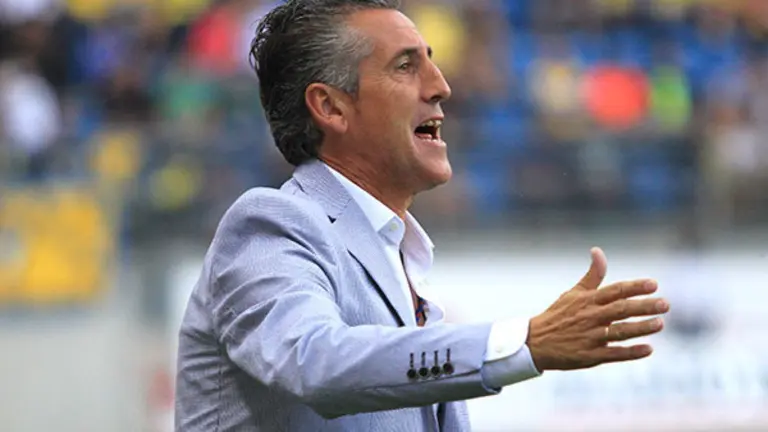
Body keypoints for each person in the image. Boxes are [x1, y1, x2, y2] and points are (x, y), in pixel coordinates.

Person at [174, 1, 671, 430]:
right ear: (331, 107)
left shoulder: (398, 257)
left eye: (431, 62)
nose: (441, 86)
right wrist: (525, 342)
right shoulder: (271, 224)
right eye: (405, 66)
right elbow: (314, 361)